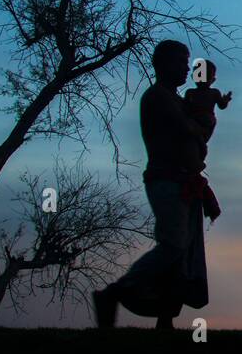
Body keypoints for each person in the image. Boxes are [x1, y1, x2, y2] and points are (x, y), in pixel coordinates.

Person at [93, 40, 217, 330]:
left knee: (182, 251)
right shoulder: (157, 97)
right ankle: (115, 292)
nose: (187, 68)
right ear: (161, 64)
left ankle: (166, 317)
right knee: (173, 244)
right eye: (181, 62)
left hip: (184, 181)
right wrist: (199, 132)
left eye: (188, 63)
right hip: (166, 180)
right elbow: (187, 129)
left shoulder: (178, 99)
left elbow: (197, 128)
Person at [183, 59, 233, 146]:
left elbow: (221, 105)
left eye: (206, 77)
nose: (202, 80)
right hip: (194, 119)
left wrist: (225, 100)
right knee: (194, 138)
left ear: (213, 79)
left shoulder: (214, 92)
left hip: (206, 119)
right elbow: (184, 107)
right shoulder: (190, 92)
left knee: (199, 139)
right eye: (199, 76)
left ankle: (200, 144)